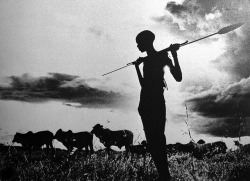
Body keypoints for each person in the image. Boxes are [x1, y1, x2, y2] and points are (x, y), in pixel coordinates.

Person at [132, 30, 182, 181]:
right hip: (145, 104)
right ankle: (163, 176)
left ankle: (165, 175)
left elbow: (178, 77)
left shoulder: (162, 57)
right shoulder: (146, 61)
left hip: (155, 102)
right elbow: (143, 84)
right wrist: (137, 67)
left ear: (147, 42)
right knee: (153, 141)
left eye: (139, 43)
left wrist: (174, 54)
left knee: (158, 139)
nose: (138, 46)